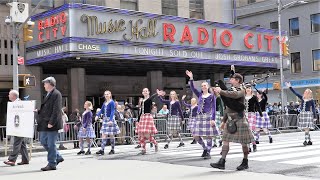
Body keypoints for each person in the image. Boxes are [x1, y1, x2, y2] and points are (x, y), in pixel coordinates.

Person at [210, 71, 254, 171]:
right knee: (225, 140)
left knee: (244, 142)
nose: (230, 80)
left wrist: (221, 91)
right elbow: (228, 106)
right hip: (230, 119)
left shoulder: (242, 90)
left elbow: (234, 95)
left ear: (237, 80)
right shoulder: (230, 90)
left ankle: (245, 161)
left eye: (232, 78)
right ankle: (222, 161)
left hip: (240, 119)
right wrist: (223, 120)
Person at [186, 70, 219, 159]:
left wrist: (213, 119)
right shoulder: (199, 95)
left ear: (207, 86)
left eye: (205, 85)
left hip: (208, 116)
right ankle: (204, 148)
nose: (203, 87)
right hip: (199, 117)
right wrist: (191, 78)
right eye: (202, 86)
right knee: (195, 135)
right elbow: (192, 88)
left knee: (209, 135)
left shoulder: (212, 96)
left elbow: (214, 108)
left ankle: (208, 151)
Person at [36, 77, 64, 171]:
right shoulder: (48, 94)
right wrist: (38, 111)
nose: (44, 85)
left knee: (51, 144)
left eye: (45, 83)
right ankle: (58, 156)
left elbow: (56, 110)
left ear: (50, 84)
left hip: (52, 124)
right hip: (45, 123)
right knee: (43, 141)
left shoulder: (57, 94)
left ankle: (52, 163)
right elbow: (47, 109)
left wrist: (51, 122)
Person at [3, 90, 29, 166]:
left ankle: (12, 160)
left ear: (14, 96)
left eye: (9, 94)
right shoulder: (15, 103)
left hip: (19, 126)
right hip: (18, 126)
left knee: (17, 143)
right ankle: (25, 159)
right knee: (22, 144)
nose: (8, 96)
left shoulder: (18, 103)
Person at [95, 90, 121, 155]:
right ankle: (102, 149)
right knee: (104, 134)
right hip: (105, 120)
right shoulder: (105, 103)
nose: (106, 95)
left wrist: (111, 120)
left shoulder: (112, 102)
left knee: (111, 135)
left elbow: (112, 111)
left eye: (107, 94)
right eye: (105, 94)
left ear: (110, 95)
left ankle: (112, 149)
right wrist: (97, 115)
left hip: (110, 119)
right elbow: (101, 110)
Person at [135, 88, 159, 155]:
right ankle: (143, 149)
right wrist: (138, 120)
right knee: (141, 134)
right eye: (144, 91)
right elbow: (141, 111)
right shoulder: (142, 101)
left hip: (148, 117)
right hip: (142, 117)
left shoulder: (149, 100)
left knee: (147, 135)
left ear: (148, 92)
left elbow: (151, 98)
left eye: (146, 91)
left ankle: (155, 143)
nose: (145, 92)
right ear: (142, 93)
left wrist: (157, 93)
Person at [244, 86, 264, 152]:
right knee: (246, 132)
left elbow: (258, 106)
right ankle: (248, 146)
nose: (248, 89)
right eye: (247, 88)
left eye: (249, 88)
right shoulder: (243, 97)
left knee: (250, 131)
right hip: (244, 115)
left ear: (251, 89)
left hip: (252, 115)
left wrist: (261, 116)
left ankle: (254, 144)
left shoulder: (254, 97)